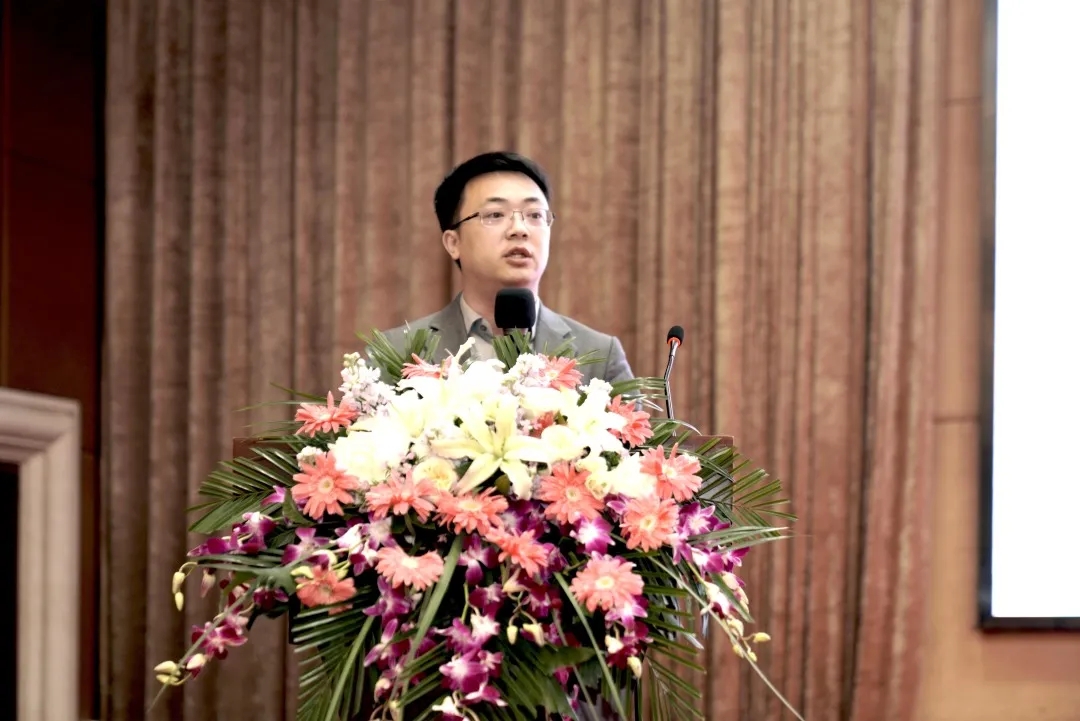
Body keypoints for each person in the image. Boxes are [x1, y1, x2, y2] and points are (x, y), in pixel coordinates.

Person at [378, 151, 633, 384]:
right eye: (495, 215)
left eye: (534, 215)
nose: (519, 229)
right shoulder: (398, 353)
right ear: (454, 243)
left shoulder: (601, 356)